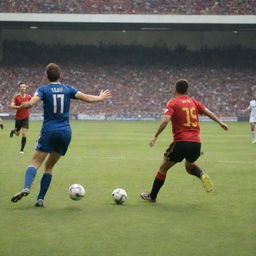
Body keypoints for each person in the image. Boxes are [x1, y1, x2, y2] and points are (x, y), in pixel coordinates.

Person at [11, 63, 111, 207]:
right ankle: (40, 199)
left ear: (46, 76)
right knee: (49, 167)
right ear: (60, 75)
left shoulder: (43, 89)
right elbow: (87, 98)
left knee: (35, 162)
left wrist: (20, 106)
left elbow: (31, 103)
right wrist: (100, 97)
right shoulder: (67, 89)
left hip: (49, 131)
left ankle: (26, 187)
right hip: (65, 132)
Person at [140, 79, 228, 202]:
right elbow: (207, 112)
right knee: (189, 166)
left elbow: (165, 120)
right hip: (196, 143)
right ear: (187, 90)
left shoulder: (173, 102)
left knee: (163, 168)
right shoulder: (194, 102)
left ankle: (152, 197)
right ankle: (201, 174)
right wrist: (220, 122)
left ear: (175, 89)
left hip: (181, 142)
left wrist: (155, 136)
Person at [10, 82, 31, 153]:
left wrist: (28, 105)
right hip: (18, 118)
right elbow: (12, 105)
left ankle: (22, 150)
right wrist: (19, 107)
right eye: (22, 87)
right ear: (19, 88)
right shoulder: (16, 97)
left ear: (26, 88)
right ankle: (13, 131)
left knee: (24, 133)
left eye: (24, 87)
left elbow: (31, 104)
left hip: (26, 117)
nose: (23, 88)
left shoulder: (29, 97)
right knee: (17, 134)